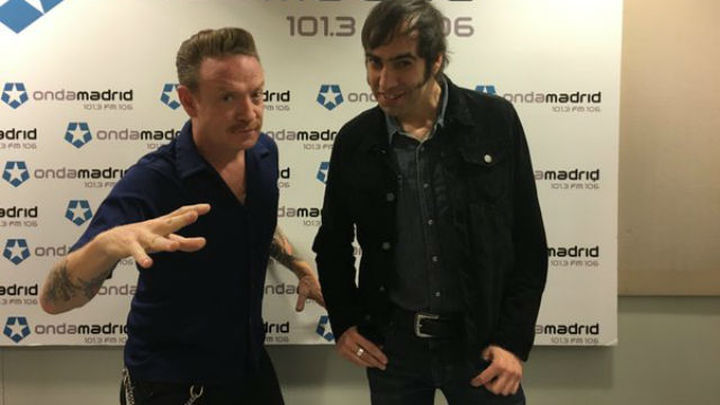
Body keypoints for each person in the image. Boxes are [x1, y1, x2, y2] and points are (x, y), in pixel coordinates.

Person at [39, 27, 323, 405]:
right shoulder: (153, 180)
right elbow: (53, 301)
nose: (249, 113)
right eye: (227, 97)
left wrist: (299, 267)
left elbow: (250, 222)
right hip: (172, 384)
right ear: (189, 101)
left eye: (256, 94)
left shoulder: (263, 153)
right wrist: (108, 244)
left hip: (248, 365)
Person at [312, 1, 548, 404]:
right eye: (374, 62)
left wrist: (512, 341)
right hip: (394, 351)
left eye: (402, 63)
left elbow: (528, 241)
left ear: (435, 60)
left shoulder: (495, 121)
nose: (384, 80)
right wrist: (346, 322)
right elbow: (333, 243)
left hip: (482, 347)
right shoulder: (355, 140)